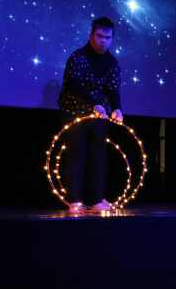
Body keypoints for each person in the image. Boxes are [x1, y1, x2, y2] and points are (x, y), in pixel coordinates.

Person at [58, 17, 123, 213]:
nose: (104, 40)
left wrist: (117, 108)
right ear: (91, 35)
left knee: (98, 155)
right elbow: (73, 84)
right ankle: (75, 200)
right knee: (76, 154)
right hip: (75, 111)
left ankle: (96, 200)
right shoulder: (78, 57)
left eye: (108, 37)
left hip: (99, 114)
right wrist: (93, 102)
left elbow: (113, 89)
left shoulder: (112, 62)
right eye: (100, 36)